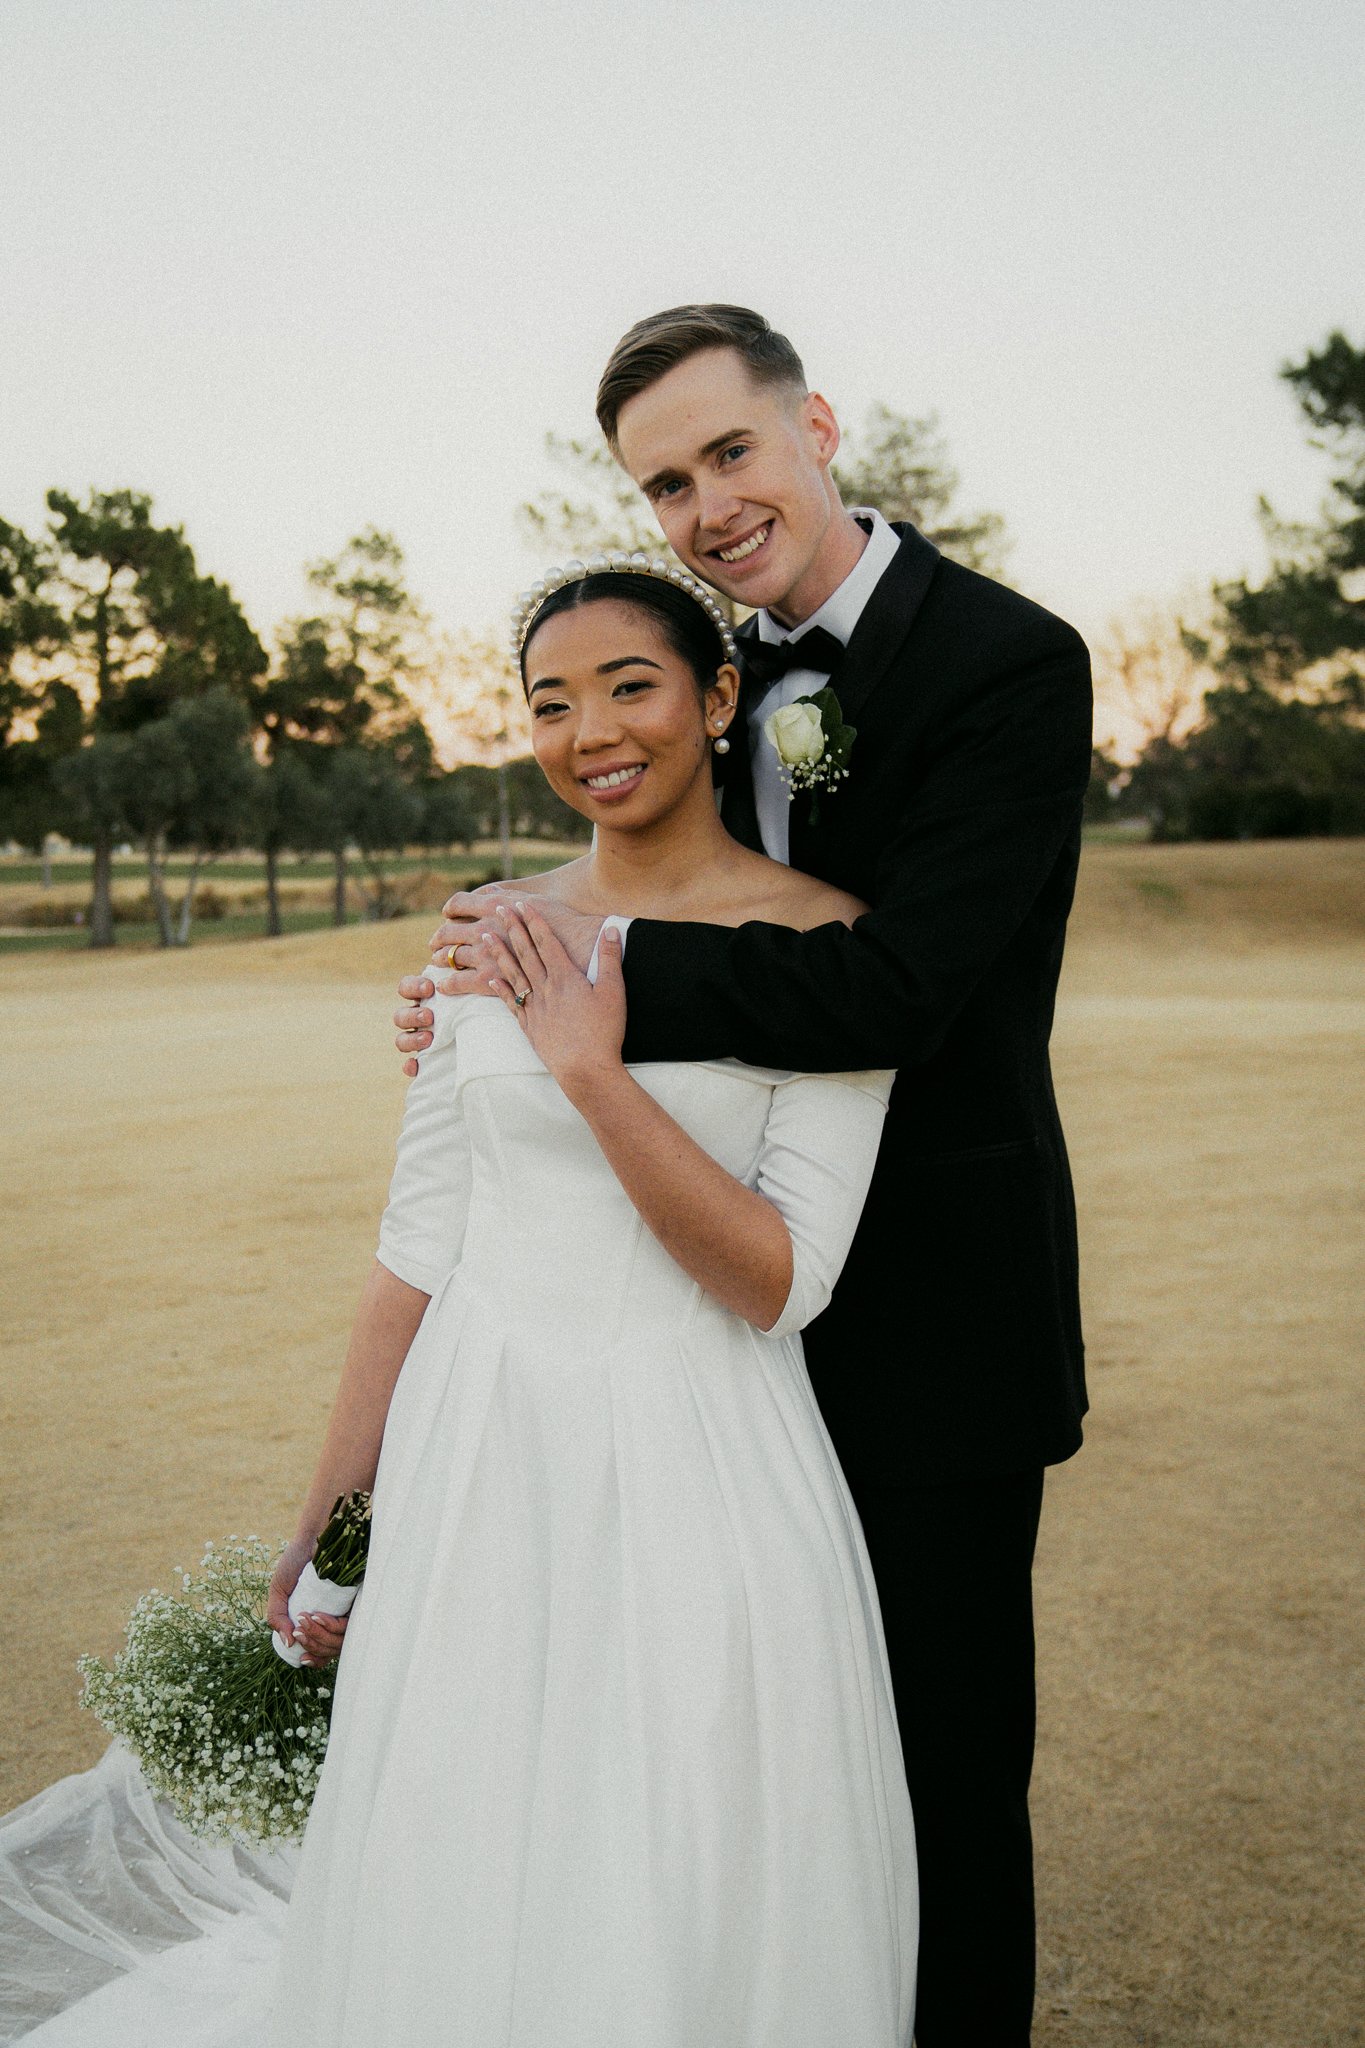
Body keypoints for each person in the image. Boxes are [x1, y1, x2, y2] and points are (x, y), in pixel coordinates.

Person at [0, 564, 916, 2047]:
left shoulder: (831, 944)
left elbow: (779, 1283)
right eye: (551, 701)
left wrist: (589, 1069)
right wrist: (332, 1510)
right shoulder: (482, 934)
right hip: (479, 1459)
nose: (590, 730)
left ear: (717, 697)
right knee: (467, 1822)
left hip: (702, 1468)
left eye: (631, 684)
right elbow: (414, 1249)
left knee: (674, 1828)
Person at [397, 304, 1093, 2046]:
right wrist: (494, 995)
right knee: (725, 1761)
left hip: (923, 1308)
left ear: (817, 428)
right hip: (703, 1338)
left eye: (729, 451)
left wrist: (577, 978)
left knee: (932, 1771)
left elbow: (898, 987)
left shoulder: (1004, 661)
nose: (706, 504)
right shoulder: (735, 672)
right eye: (663, 481)